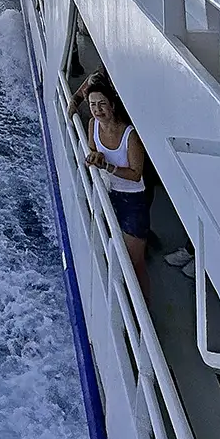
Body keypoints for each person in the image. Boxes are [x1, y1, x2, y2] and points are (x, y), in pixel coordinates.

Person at [68, 71, 151, 300]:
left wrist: (107, 167)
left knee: (136, 263)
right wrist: (93, 158)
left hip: (133, 201)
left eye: (102, 104)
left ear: (112, 105)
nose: (97, 110)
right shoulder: (93, 124)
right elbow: (94, 151)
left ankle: (143, 314)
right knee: (112, 249)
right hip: (109, 193)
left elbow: (136, 174)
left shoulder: (130, 135)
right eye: (93, 104)